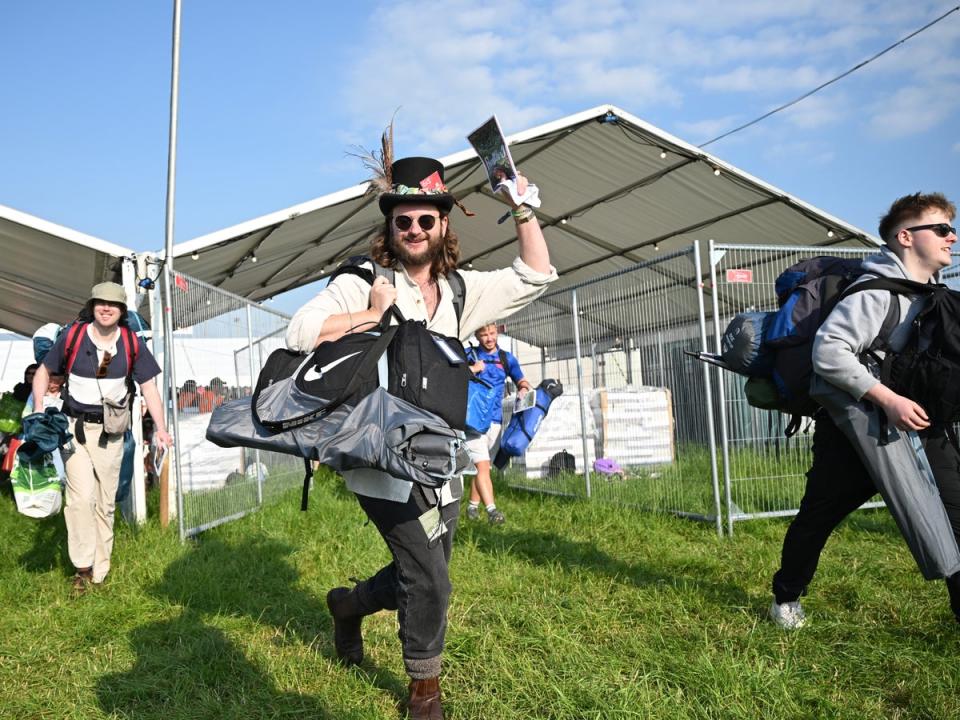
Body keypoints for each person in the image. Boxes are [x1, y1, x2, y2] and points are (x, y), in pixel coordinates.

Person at [286, 153, 556, 718]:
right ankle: (424, 691)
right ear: (389, 226)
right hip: (378, 458)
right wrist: (371, 315)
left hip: (443, 457)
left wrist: (523, 208)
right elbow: (302, 329)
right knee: (430, 576)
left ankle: (349, 604)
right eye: (403, 220)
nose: (414, 229)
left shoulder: (460, 290)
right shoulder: (365, 279)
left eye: (425, 220)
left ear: (442, 225)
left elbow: (534, 274)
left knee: (424, 571)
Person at [769, 192, 960, 629]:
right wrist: (888, 399)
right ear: (906, 237)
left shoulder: (932, 294)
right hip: (857, 431)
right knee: (819, 517)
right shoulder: (873, 292)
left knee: (955, 514)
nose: (953, 236)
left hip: (920, 426)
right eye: (943, 229)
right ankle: (786, 597)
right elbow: (829, 352)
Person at [32, 282, 172, 596]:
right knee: (81, 499)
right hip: (74, 430)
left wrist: (160, 429)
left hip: (111, 433)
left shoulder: (132, 343)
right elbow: (43, 371)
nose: (106, 308)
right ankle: (82, 568)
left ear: (121, 311)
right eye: (100, 303)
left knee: (105, 503)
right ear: (92, 305)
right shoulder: (73, 336)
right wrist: (39, 408)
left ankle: (100, 570)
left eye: (113, 304)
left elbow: (149, 387)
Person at [464, 322, 531, 524]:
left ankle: (472, 509)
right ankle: (493, 511)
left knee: (484, 468)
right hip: (473, 420)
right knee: (482, 466)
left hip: (495, 420)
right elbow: (451, 375)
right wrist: (473, 369)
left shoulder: (506, 358)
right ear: (477, 335)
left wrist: (523, 389)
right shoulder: (469, 354)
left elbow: (521, 380)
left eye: (492, 333)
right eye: (484, 334)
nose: (489, 338)